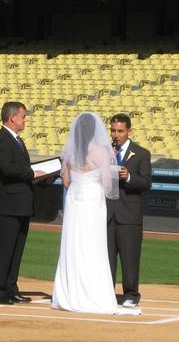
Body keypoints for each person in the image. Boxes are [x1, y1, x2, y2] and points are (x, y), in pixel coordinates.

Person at [52, 112, 141, 316]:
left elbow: (66, 182)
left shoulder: (70, 153)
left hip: (75, 201)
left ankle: (70, 292)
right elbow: (109, 185)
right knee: (94, 247)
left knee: (73, 245)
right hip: (93, 201)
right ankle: (94, 291)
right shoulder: (102, 151)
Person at [0, 101, 45, 304]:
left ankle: (10, 288)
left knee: (16, 250)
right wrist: (32, 173)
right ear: (12, 118)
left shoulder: (17, 140)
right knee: (3, 250)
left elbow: (20, 169)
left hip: (20, 205)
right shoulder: (0, 140)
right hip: (7, 205)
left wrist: (42, 175)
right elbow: (8, 169)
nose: (24, 120)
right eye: (22, 117)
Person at [107, 113, 152, 308]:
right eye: (113, 130)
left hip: (129, 215)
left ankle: (131, 294)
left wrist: (128, 177)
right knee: (106, 257)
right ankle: (106, 292)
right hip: (107, 214)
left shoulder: (141, 153)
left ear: (129, 131)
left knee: (130, 257)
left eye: (120, 131)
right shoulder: (104, 151)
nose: (116, 135)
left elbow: (146, 182)